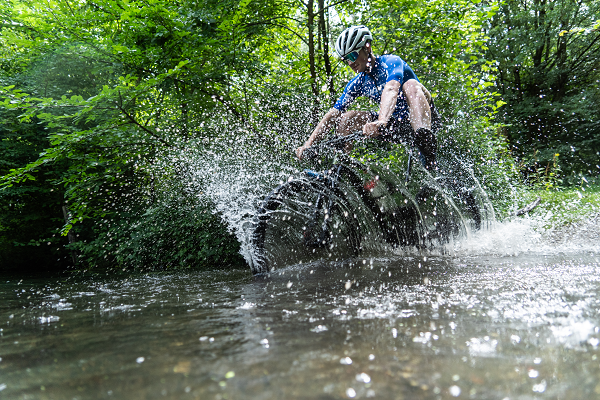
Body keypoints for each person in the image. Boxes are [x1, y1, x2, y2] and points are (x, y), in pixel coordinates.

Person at [295, 25, 441, 171]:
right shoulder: (358, 82)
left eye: (352, 55)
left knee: (411, 85)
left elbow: (391, 89)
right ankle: (341, 170)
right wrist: (308, 145)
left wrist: (381, 121)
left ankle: (425, 142)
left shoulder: (390, 62)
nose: (350, 63)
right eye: (346, 59)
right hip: (397, 125)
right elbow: (333, 114)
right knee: (346, 118)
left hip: (424, 119)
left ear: (367, 47)